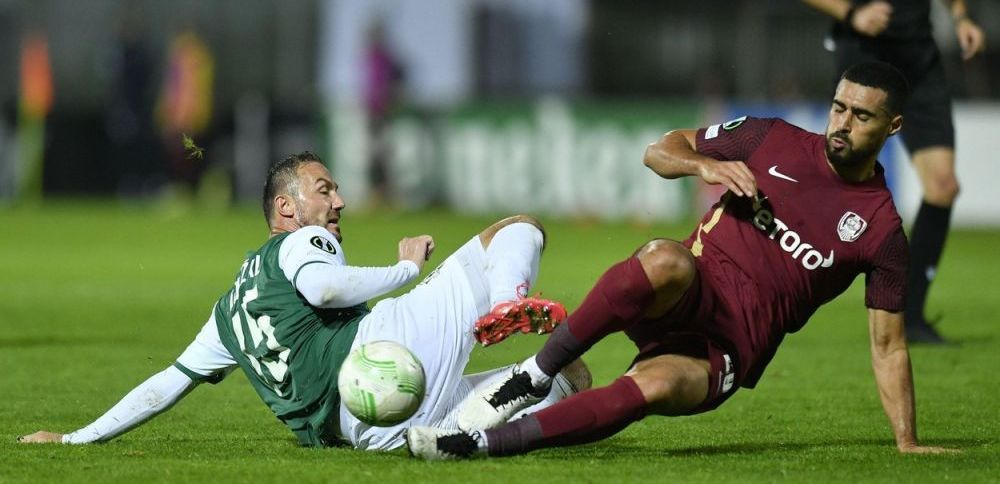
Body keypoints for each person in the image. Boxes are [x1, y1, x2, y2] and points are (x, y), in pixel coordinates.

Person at [406, 62, 958, 460]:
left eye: (862, 115)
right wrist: (703, 167)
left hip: (729, 346)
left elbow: (888, 347)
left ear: (893, 126)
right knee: (665, 258)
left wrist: (906, 440)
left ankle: (477, 445)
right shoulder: (773, 140)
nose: (842, 123)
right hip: (688, 289)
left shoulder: (882, 231)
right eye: (839, 106)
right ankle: (534, 374)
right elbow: (658, 150)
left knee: (656, 387)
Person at [17, 151, 589, 450]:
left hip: (363, 430)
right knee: (516, 228)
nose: (338, 201)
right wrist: (405, 268)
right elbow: (323, 287)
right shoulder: (301, 243)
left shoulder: (225, 315)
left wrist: (73, 438)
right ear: (287, 209)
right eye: (324, 189)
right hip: (380, 355)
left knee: (571, 377)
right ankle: (509, 302)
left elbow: (164, 385)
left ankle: (461, 432)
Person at [801, 0, 987, 343]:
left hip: (918, 61)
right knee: (835, 176)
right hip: (863, 52)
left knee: (943, 186)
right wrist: (850, 13)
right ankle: (779, 276)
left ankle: (909, 319)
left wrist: (960, 17)